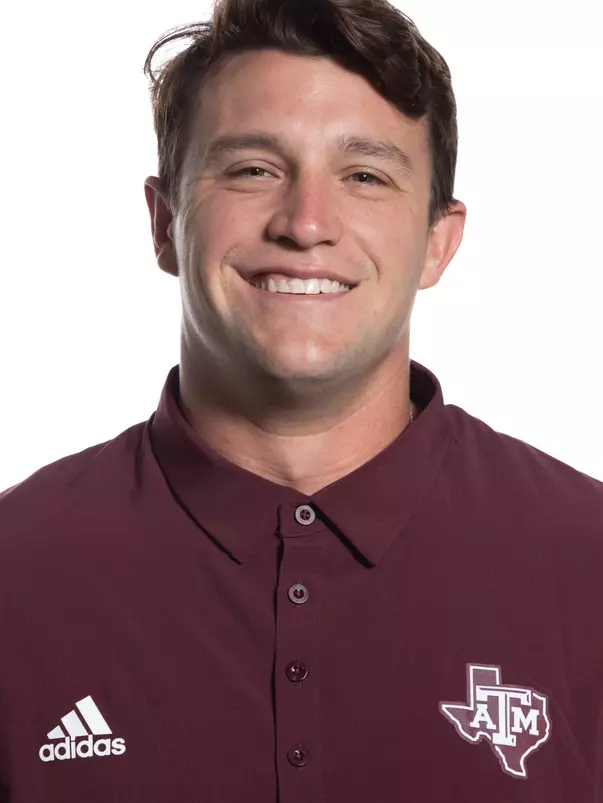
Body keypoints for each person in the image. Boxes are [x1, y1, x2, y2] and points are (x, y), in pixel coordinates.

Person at [0, 0, 601, 800]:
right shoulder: (17, 572)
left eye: (364, 176)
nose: (306, 222)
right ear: (164, 221)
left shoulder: (586, 562)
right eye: (253, 168)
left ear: (438, 242)